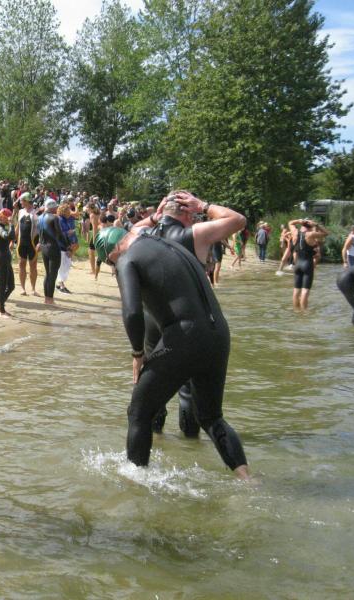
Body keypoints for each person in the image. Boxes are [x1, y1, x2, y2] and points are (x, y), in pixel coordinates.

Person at [102, 220, 250, 479]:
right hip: (218, 334)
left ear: (113, 251)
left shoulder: (127, 258)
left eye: (109, 263)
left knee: (139, 412)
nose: (113, 267)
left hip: (185, 337)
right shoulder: (170, 246)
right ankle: (247, 479)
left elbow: (132, 312)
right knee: (211, 417)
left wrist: (137, 353)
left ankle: (136, 483)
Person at [131, 190, 246, 435]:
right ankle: (190, 441)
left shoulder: (145, 234)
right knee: (188, 387)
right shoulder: (193, 234)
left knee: (152, 381)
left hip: (152, 317)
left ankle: (154, 440)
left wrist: (155, 216)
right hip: (184, 319)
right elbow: (238, 220)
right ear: (188, 213)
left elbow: (133, 227)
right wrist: (203, 205)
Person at [289, 218, 328, 311]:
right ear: (310, 225)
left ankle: (296, 311)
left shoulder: (295, 232)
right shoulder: (310, 234)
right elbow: (326, 233)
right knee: (305, 291)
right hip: (307, 264)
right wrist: (316, 225)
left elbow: (290, 223)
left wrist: (298, 221)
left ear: (302, 225)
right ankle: (304, 313)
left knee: (296, 290)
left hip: (297, 264)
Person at [38, 199, 68, 304]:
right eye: (56, 207)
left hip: (44, 247)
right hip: (53, 248)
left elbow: (39, 234)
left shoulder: (40, 217)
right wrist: (68, 246)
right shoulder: (54, 218)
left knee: (47, 273)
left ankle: (47, 298)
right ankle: (50, 299)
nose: (57, 208)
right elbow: (60, 234)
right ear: (52, 207)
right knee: (53, 274)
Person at [15, 193, 40, 296]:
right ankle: (23, 288)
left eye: (21, 201)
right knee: (21, 264)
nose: (20, 202)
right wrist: (12, 240)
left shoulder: (35, 212)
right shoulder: (20, 212)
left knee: (33, 266)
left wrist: (40, 243)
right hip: (21, 243)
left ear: (26, 201)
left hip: (33, 244)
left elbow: (40, 229)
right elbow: (17, 227)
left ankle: (33, 289)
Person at [0, 208, 16, 316]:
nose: (9, 219)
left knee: (11, 286)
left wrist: (11, 225)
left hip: (6, 258)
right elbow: (8, 236)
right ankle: (2, 311)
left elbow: (12, 237)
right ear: (2, 217)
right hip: (1, 258)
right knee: (2, 286)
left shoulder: (2, 226)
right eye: (8, 217)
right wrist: (11, 224)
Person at [56, 202, 78, 294]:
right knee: (63, 266)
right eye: (68, 211)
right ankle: (61, 285)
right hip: (62, 246)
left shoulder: (65, 219)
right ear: (63, 211)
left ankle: (59, 283)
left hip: (66, 246)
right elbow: (59, 234)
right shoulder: (60, 220)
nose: (70, 212)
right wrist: (68, 233)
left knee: (66, 264)